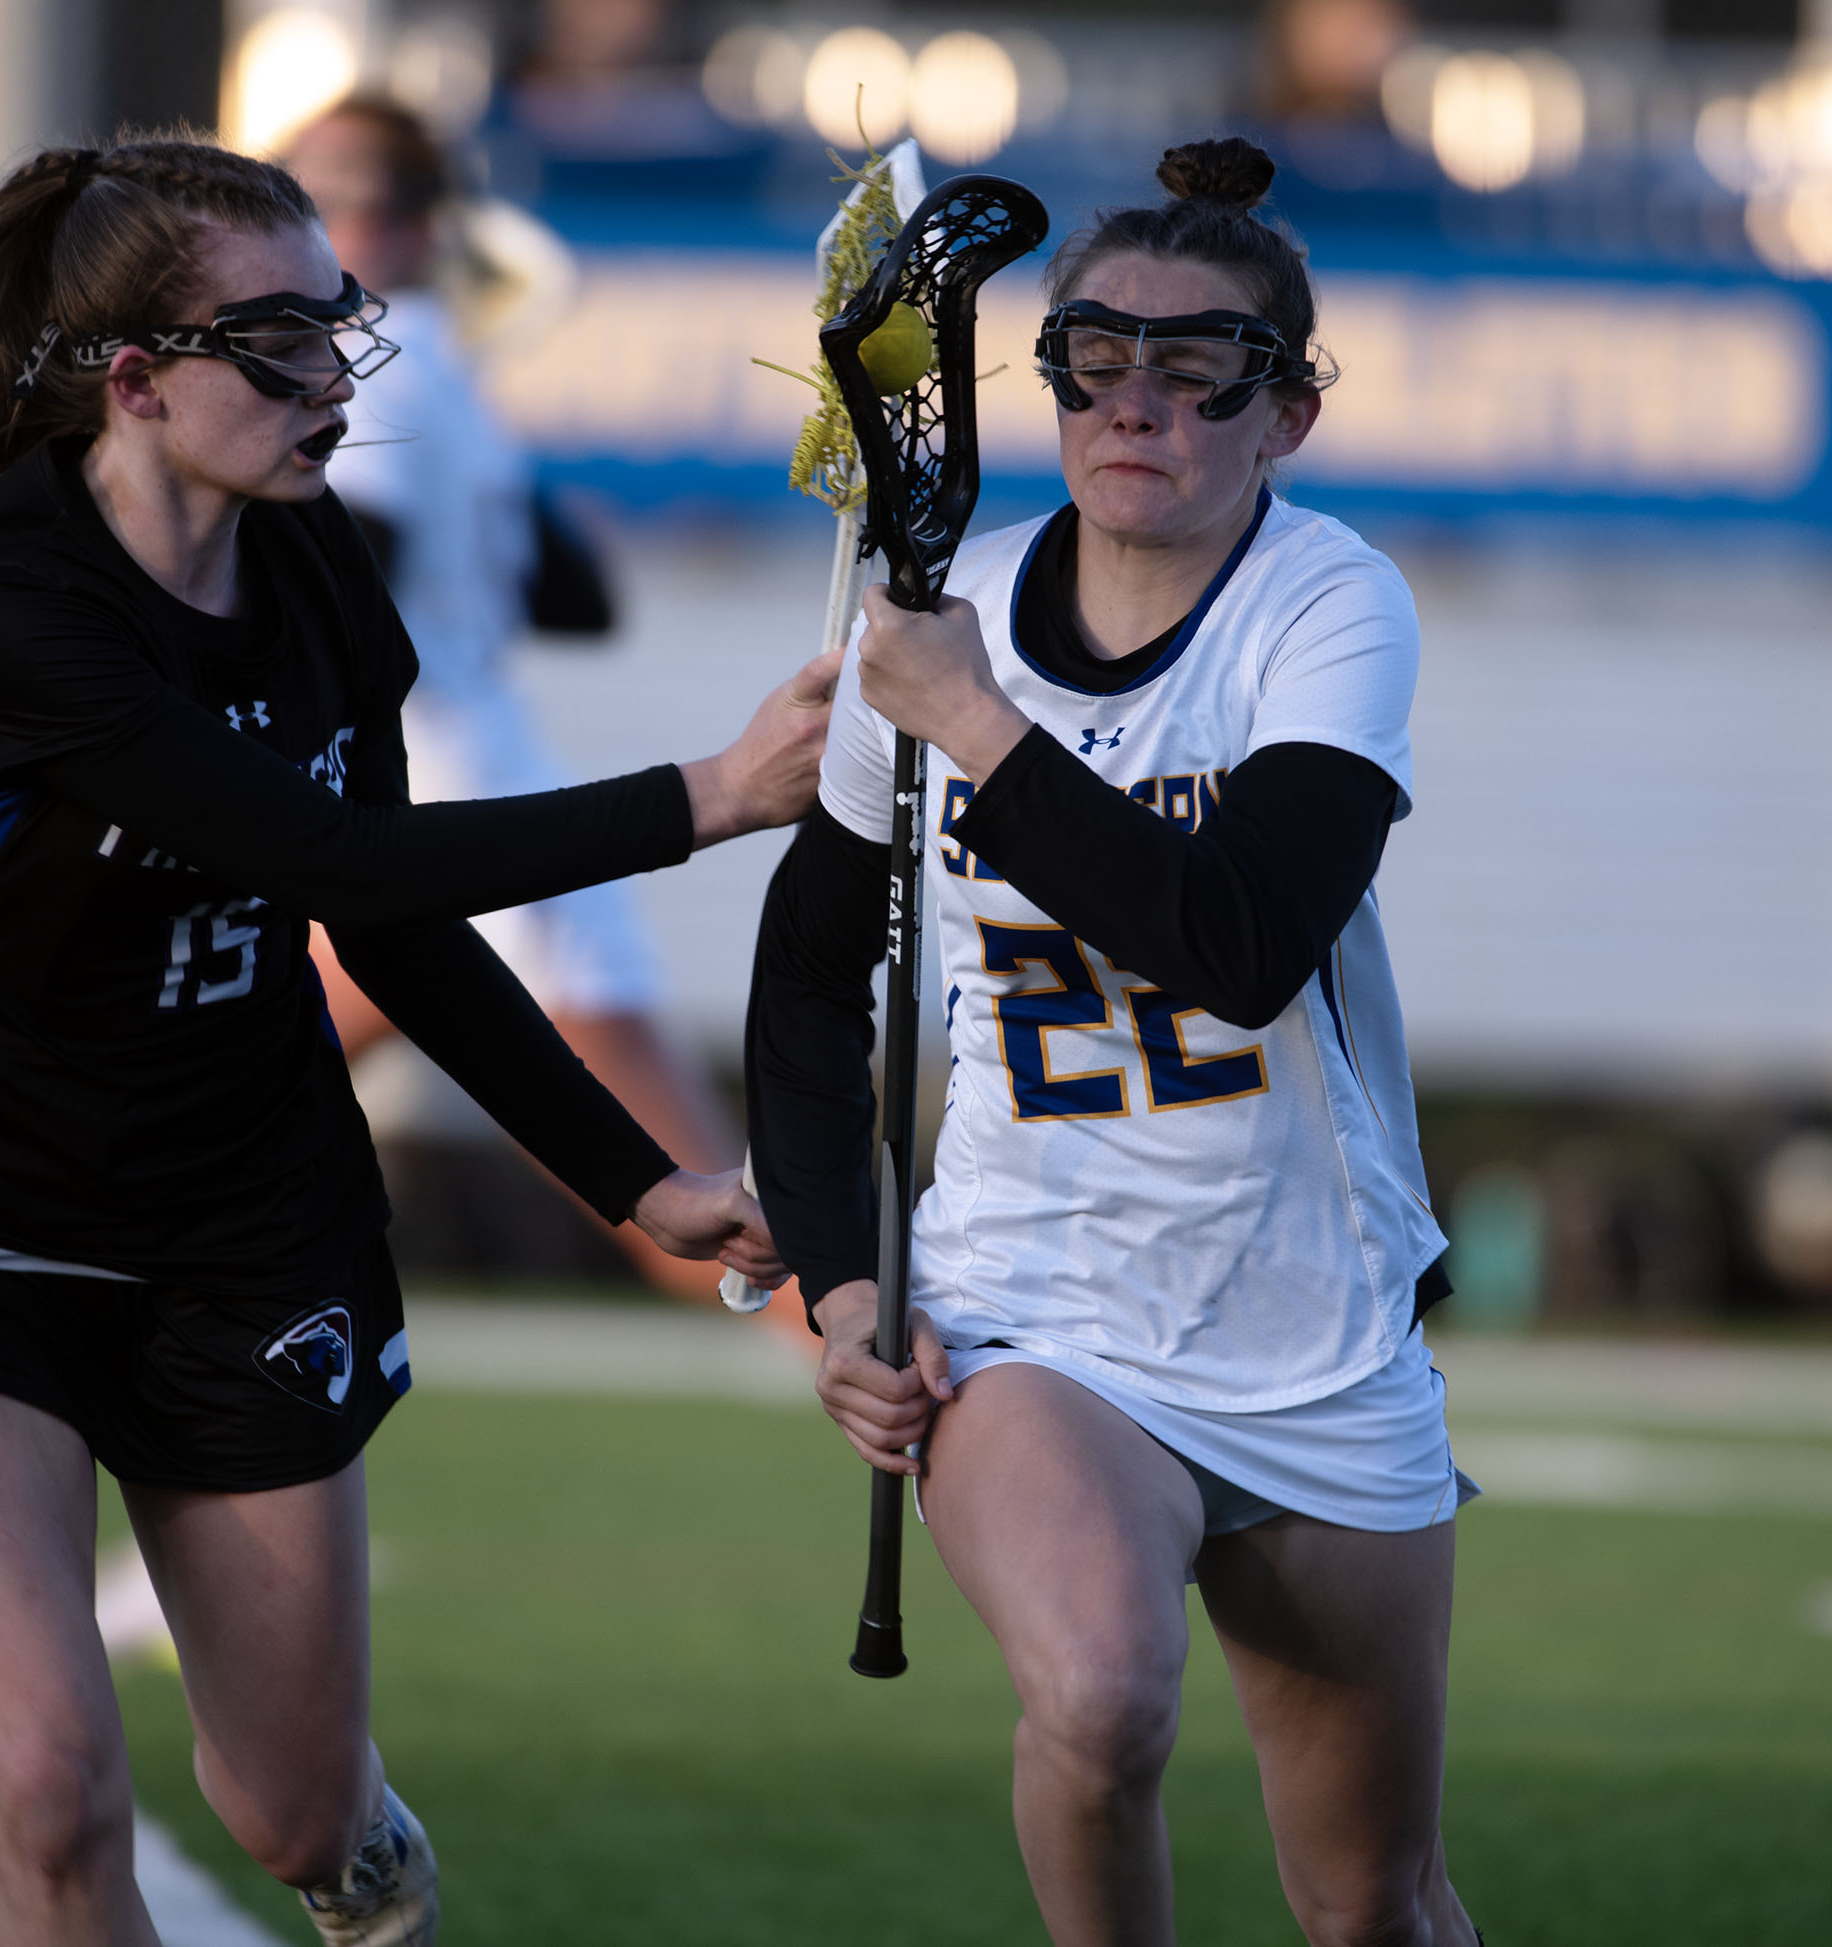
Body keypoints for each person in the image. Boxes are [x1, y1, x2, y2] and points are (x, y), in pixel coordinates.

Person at [0, 133, 831, 1947]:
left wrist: (641, 1180)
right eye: (279, 343)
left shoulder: (316, 561)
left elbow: (392, 916)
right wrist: (710, 795)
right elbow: (324, 850)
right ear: (137, 379)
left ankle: (361, 1851)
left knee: (289, 1806)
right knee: (45, 1782)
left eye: (339, 324)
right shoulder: (8, 606)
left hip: (243, 1231)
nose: (335, 376)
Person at [747, 137, 1482, 1947]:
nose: (1131, 401)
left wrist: (980, 728)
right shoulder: (940, 619)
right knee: (1099, 1695)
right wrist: (845, 1285)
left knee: (1373, 1904)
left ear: (1286, 414)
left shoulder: (1327, 606)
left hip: (1314, 1328)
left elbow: (1236, 944)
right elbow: (803, 977)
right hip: (1042, 1313)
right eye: (1089, 356)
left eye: (1194, 370)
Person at [285, 97, 744, 1300]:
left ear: (422, 222)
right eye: (319, 194)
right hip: (474, 780)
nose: (345, 226)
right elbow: (580, 595)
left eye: (366, 199)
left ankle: (895, 1375)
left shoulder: (365, 359)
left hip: (434, 787)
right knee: (215, 1067)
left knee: (685, 1197)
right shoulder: (437, 368)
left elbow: (354, 572)